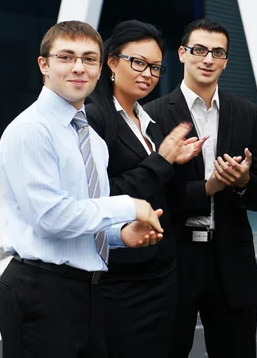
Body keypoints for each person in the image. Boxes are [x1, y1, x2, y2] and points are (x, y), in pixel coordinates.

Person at [0, 20, 165, 358]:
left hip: (87, 294)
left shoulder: (92, 139)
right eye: (66, 57)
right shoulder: (32, 130)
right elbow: (51, 218)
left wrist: (120, 234)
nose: (79, 67)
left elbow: (83, 214)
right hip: (41, 291)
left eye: (89, 59)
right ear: (44, 64)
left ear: (101, 69)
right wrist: (129, 206)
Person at [144, 18, 257, 358]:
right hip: (175, 259)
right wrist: (208, 187)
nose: (208, 59)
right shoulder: (152, 116)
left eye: (217, 52)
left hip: (232, 259)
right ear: (182, 54)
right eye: (199, 50)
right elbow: (153, 193)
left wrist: (242, 183)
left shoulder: (248, 114)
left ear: (227, 60)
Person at [85, 20, 205, 357]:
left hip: (161, 271)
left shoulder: (146, 121)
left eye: (154, 67)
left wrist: (177, 165)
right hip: (122, 277)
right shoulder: (94, 118)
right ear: (111, 61)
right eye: (138, 62)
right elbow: (103, 193)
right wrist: (162, 161)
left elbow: (152, 186)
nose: (147, 74)